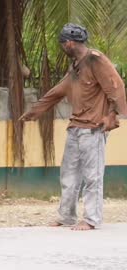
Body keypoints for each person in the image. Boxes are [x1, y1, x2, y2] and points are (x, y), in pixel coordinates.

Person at [20, 23, 127, 230]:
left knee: (92, 176)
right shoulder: (76, 66)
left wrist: (112, 115)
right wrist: (35, 111)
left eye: (62, 43)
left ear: (68, 43)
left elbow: (116, 87)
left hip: (93, 129)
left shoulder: (96, 59)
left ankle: (91, 219)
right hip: (75, 128)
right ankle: (66, 216)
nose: (62, 47)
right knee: (68, 175)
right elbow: (58, 91)